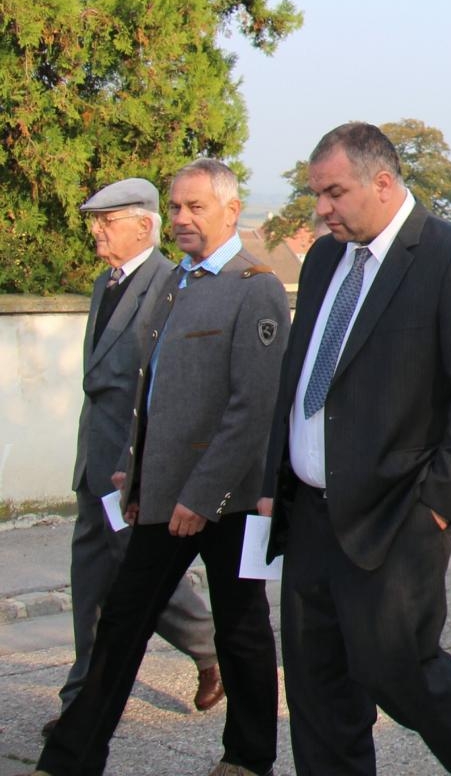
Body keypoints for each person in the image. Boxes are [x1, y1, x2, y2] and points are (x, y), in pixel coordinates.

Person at [256, 124, 451, 776]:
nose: (321, 209)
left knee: (397, 666)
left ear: (382, 182)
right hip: (310, 514)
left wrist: (438, 506)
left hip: (396, 512)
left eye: (334, 193)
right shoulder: (325, 259)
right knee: (316, 683)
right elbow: (300, 372)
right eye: (316, 194)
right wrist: (276, 477)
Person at [40, 161, 287, 776]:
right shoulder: (175, 282)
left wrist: (201, 497)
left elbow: (252, 407)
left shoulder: (254, 287)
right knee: (121, 623)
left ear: (231, 211)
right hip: (161, 493)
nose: (180, 218)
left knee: (241, 629)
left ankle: (248, 758)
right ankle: (70, 759)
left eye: (195, 207)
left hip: (227, 499)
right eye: (175, 207)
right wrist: (135, 475)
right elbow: (147, 392)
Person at [49, 178, 220, 739]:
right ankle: (80, 701)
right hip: (93, 459)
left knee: (137, 571)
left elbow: (167, 386)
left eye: (107, 221)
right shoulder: (106, 284)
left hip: (131, 462)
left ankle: (211, 646)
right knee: (90, 582)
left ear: (145, 226)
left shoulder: (170, 284)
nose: (96, 232)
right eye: (94, 222)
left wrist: (147, 466)